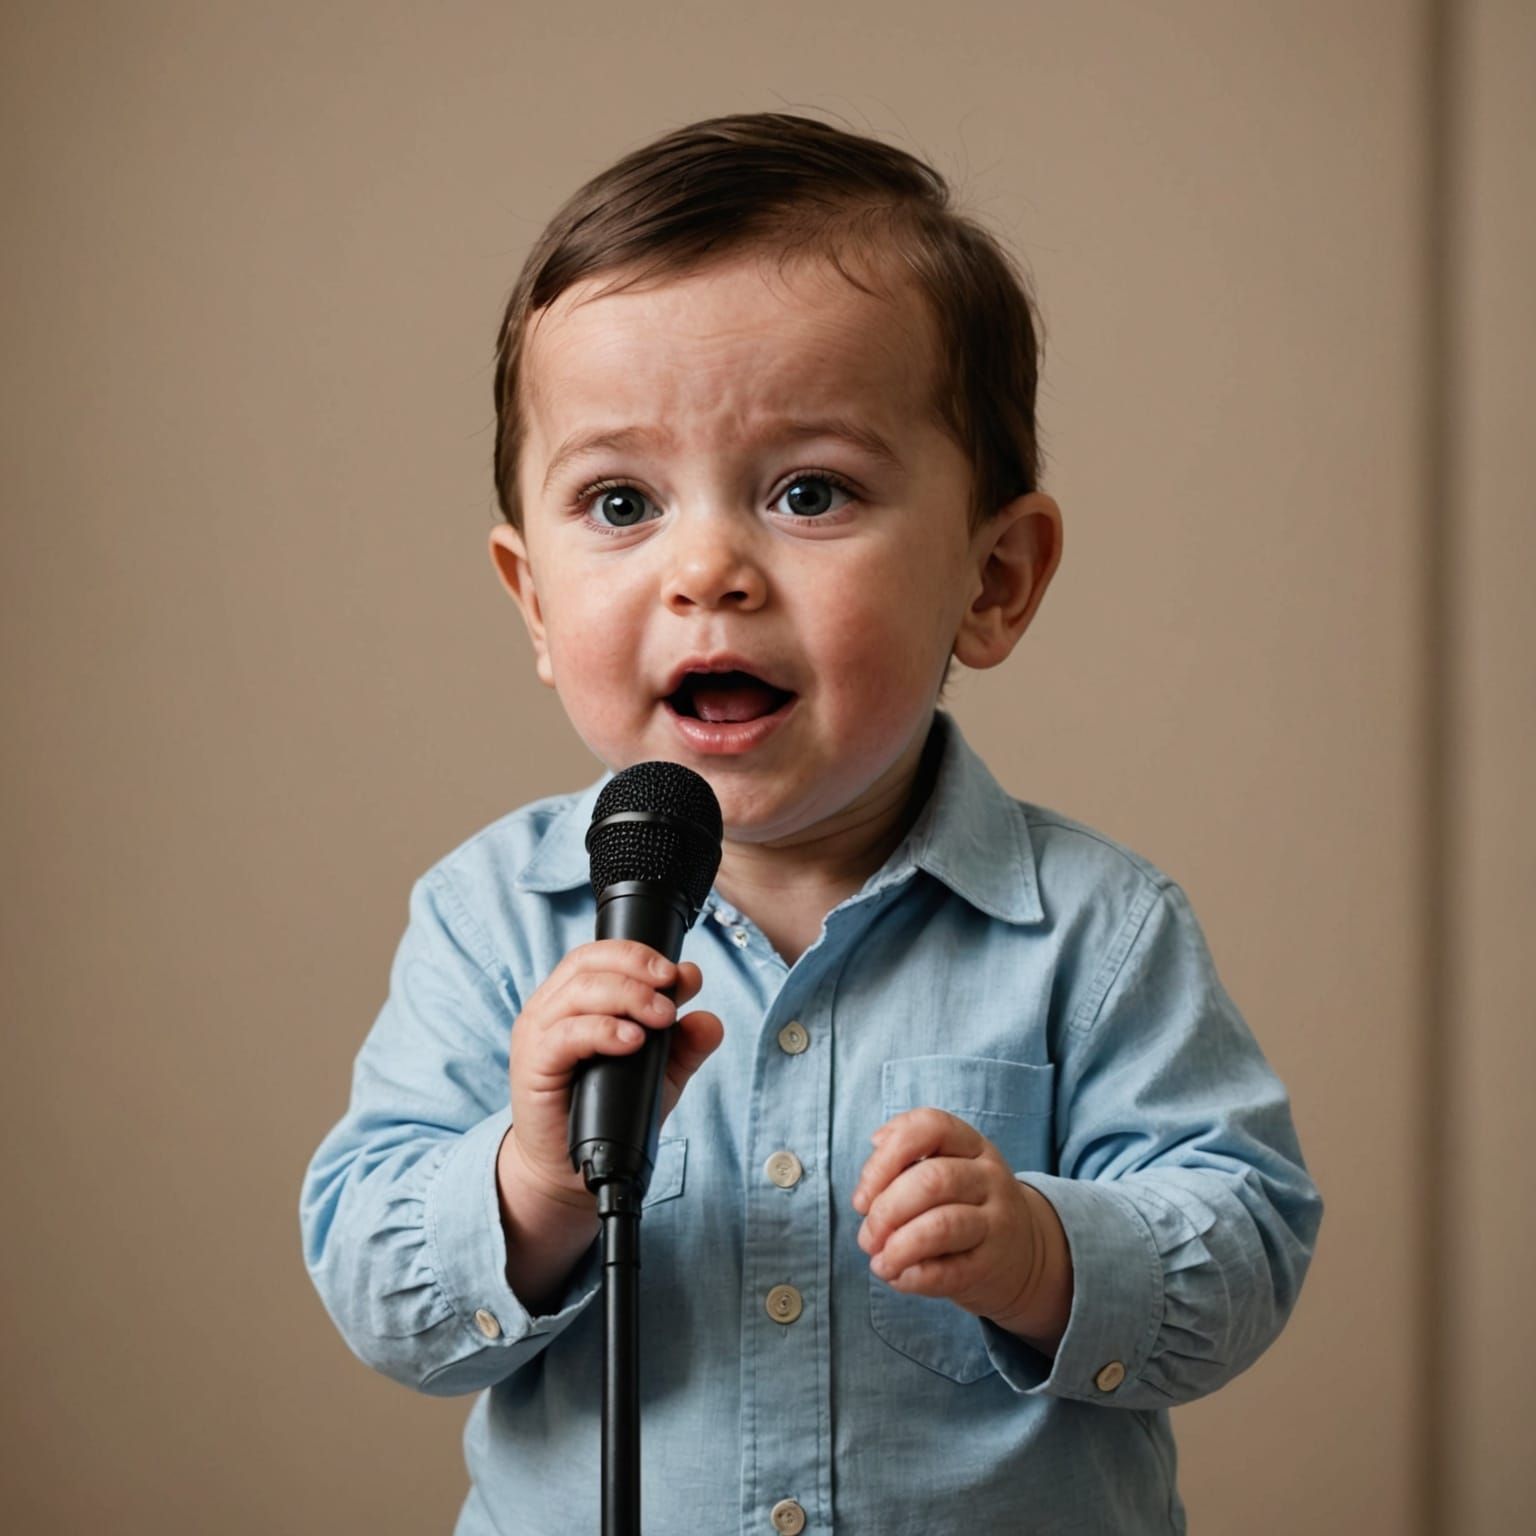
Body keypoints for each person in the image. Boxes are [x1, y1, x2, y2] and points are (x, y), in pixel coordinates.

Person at [299, 112, 1323, 1535]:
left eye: (810, 492)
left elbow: (1250, 1241)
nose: (708, 567)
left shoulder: (1094, 929)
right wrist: (535, 1177)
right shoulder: (494, 919)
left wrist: (1043, 1253)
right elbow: (378, 1283)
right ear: (532, 598)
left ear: (996, 579)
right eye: (620, 501)